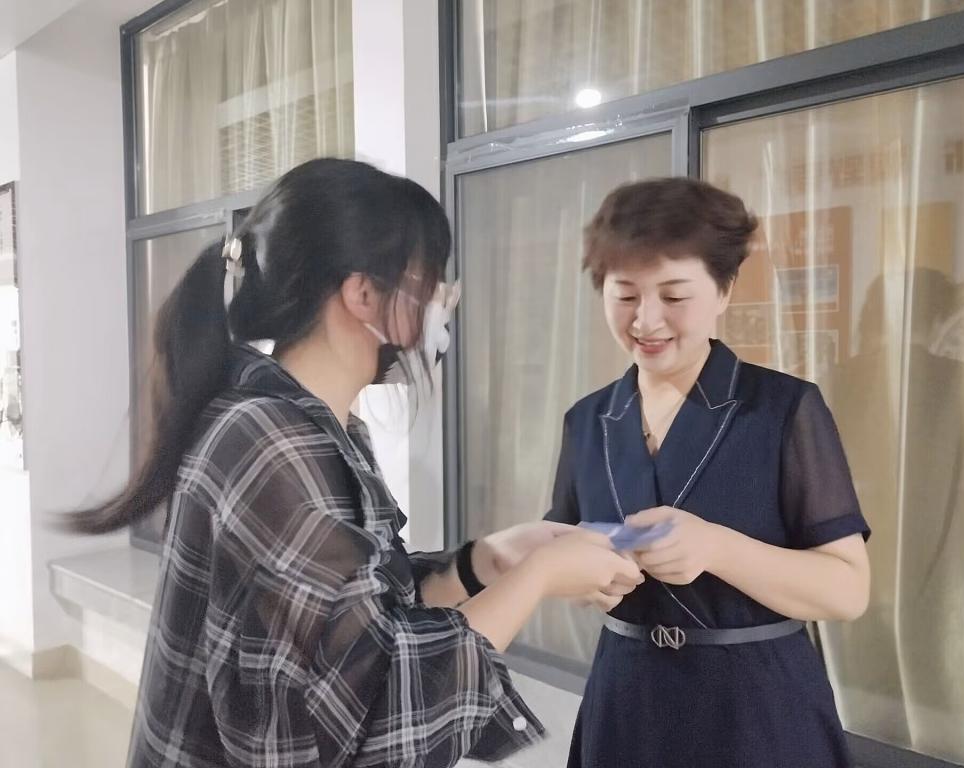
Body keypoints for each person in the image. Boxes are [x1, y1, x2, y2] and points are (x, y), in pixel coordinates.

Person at [66, 158, 642, 768]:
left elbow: (355, 620)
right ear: (363, 294)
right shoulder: (271, 442)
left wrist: (484, 563)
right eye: (428, 283)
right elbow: (370, 713)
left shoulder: (318, 425)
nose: (441, 306)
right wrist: (540, 577)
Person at [545, 177, 871, 767]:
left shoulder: (782, 409)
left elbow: (847, 590)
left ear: (724, 291)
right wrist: (585, 580)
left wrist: (717, 548)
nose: (646, 320)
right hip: (626, 701)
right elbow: (562, 550)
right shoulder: (588, 420)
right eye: (625, 295)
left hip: (756, 708)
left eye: (674, 296)